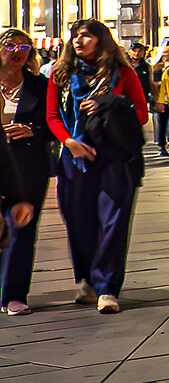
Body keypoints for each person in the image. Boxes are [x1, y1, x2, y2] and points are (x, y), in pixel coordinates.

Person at [48, 19, 147, 313]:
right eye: (75, 36)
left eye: (86, 36)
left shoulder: (124, 73)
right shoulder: (61, 74)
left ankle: (107, 289)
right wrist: (69, 142)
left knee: (112, 222)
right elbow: (52, 115)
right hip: (74, 158)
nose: (78, 41)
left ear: (101, 40)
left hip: (115, 158)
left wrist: (109, 102)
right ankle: (88, 280)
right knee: (78, 223)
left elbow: (140, 113)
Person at [0, 28, 52, 313]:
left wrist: (32, 130)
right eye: (10, 45)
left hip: (28, 167)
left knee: (21, 228)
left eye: (25, 47)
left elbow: (55, 126)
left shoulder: (39, 86)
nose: (18, 51)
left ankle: (14, 295)